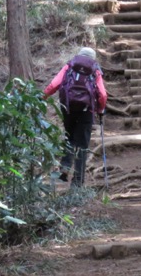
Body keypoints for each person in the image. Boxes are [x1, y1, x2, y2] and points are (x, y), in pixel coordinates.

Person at [44, 47, 108, 187]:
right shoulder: (95, 70)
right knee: (82, 145)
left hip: (68, 108)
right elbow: (102, 94)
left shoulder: (69, 66)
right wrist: (101, 109)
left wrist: (42, 97)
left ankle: (65, 168)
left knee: (69, 137)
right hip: (87, 110)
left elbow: (54, 84)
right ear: (93, 58)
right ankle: (78, 181)